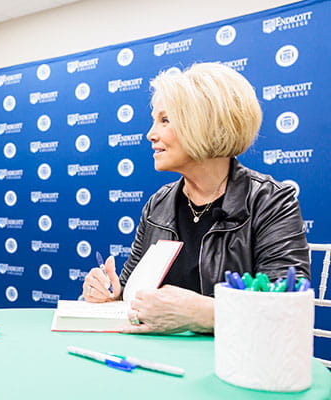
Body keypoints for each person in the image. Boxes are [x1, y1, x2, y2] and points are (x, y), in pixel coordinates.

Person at [82, 62, 310, 334]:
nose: (150, 134)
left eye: (165, 120)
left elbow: (287, 308)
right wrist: (114, 295)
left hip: (235, 365)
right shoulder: (158, 204)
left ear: (206, 124)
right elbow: (134, 291)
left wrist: (203, 314)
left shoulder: (269, 201)